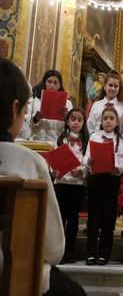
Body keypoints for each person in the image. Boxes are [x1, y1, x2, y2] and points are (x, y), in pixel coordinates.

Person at [0, 57, 85, 295]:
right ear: (14, 108)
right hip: (13, 273)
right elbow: (53, 248)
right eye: (25, 110)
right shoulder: (28, 163)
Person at [83, 107, 123, 266]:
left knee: (108, 218)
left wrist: (118, 168)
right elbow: (86, 156)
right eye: (105, 118)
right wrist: (89, 161)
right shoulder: (94, 136)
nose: (108, 121)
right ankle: (91, 253)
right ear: (101, 121)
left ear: (116, 122)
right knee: (94, 218)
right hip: (96, 180)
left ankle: (104, 254)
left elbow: (122, 163)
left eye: (111, 118)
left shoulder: (120, 140)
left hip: (111, 180)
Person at [52, 107, 89, 264]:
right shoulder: (61, 139)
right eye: (73, 119)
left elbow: (87, 162)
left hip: (76, 184)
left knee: (73, 218)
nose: (76, 122)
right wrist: (53, 170)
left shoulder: (86, 141)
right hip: (61, 182)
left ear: (83, 123)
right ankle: (58, 251)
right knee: (60, 217)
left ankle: (70, 251)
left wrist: (81, 171)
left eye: (79, 120)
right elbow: (53, 158)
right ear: (67, 121)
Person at [27, 70, 73, 144]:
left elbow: (73, 127)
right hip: (37, 141)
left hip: (57, 142)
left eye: (55, 83)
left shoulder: (67, 104)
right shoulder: (34, 100)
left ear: (59, 85)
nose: (52, 85)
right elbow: (25, 124)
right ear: (44, 83)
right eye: (49, 81)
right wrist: (36, 118)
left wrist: (67, 117)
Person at [87, 71, 123, 136]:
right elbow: (90, 127)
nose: (113, 88)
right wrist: (96, 139)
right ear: (104, 86)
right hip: (98, 142)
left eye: (116, 86)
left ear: (119, 88)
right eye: (110, 85)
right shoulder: (96, 105)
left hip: (116, 143)